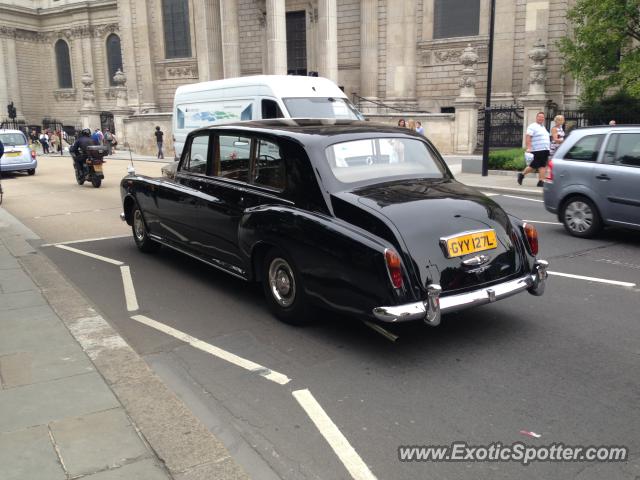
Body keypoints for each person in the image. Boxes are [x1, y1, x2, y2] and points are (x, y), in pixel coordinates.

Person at [518, 112, 550, 187]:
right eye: (539, 117)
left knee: (542, 165)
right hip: (537, 149)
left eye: (542, 117)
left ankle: (541, 181)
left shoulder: (543, 127)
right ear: (536, 117)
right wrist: (528, 147)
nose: (541, 118)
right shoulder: (532, 126)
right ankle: (521, 175)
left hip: (545, 149)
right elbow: (528, 136)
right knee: (534, 166)